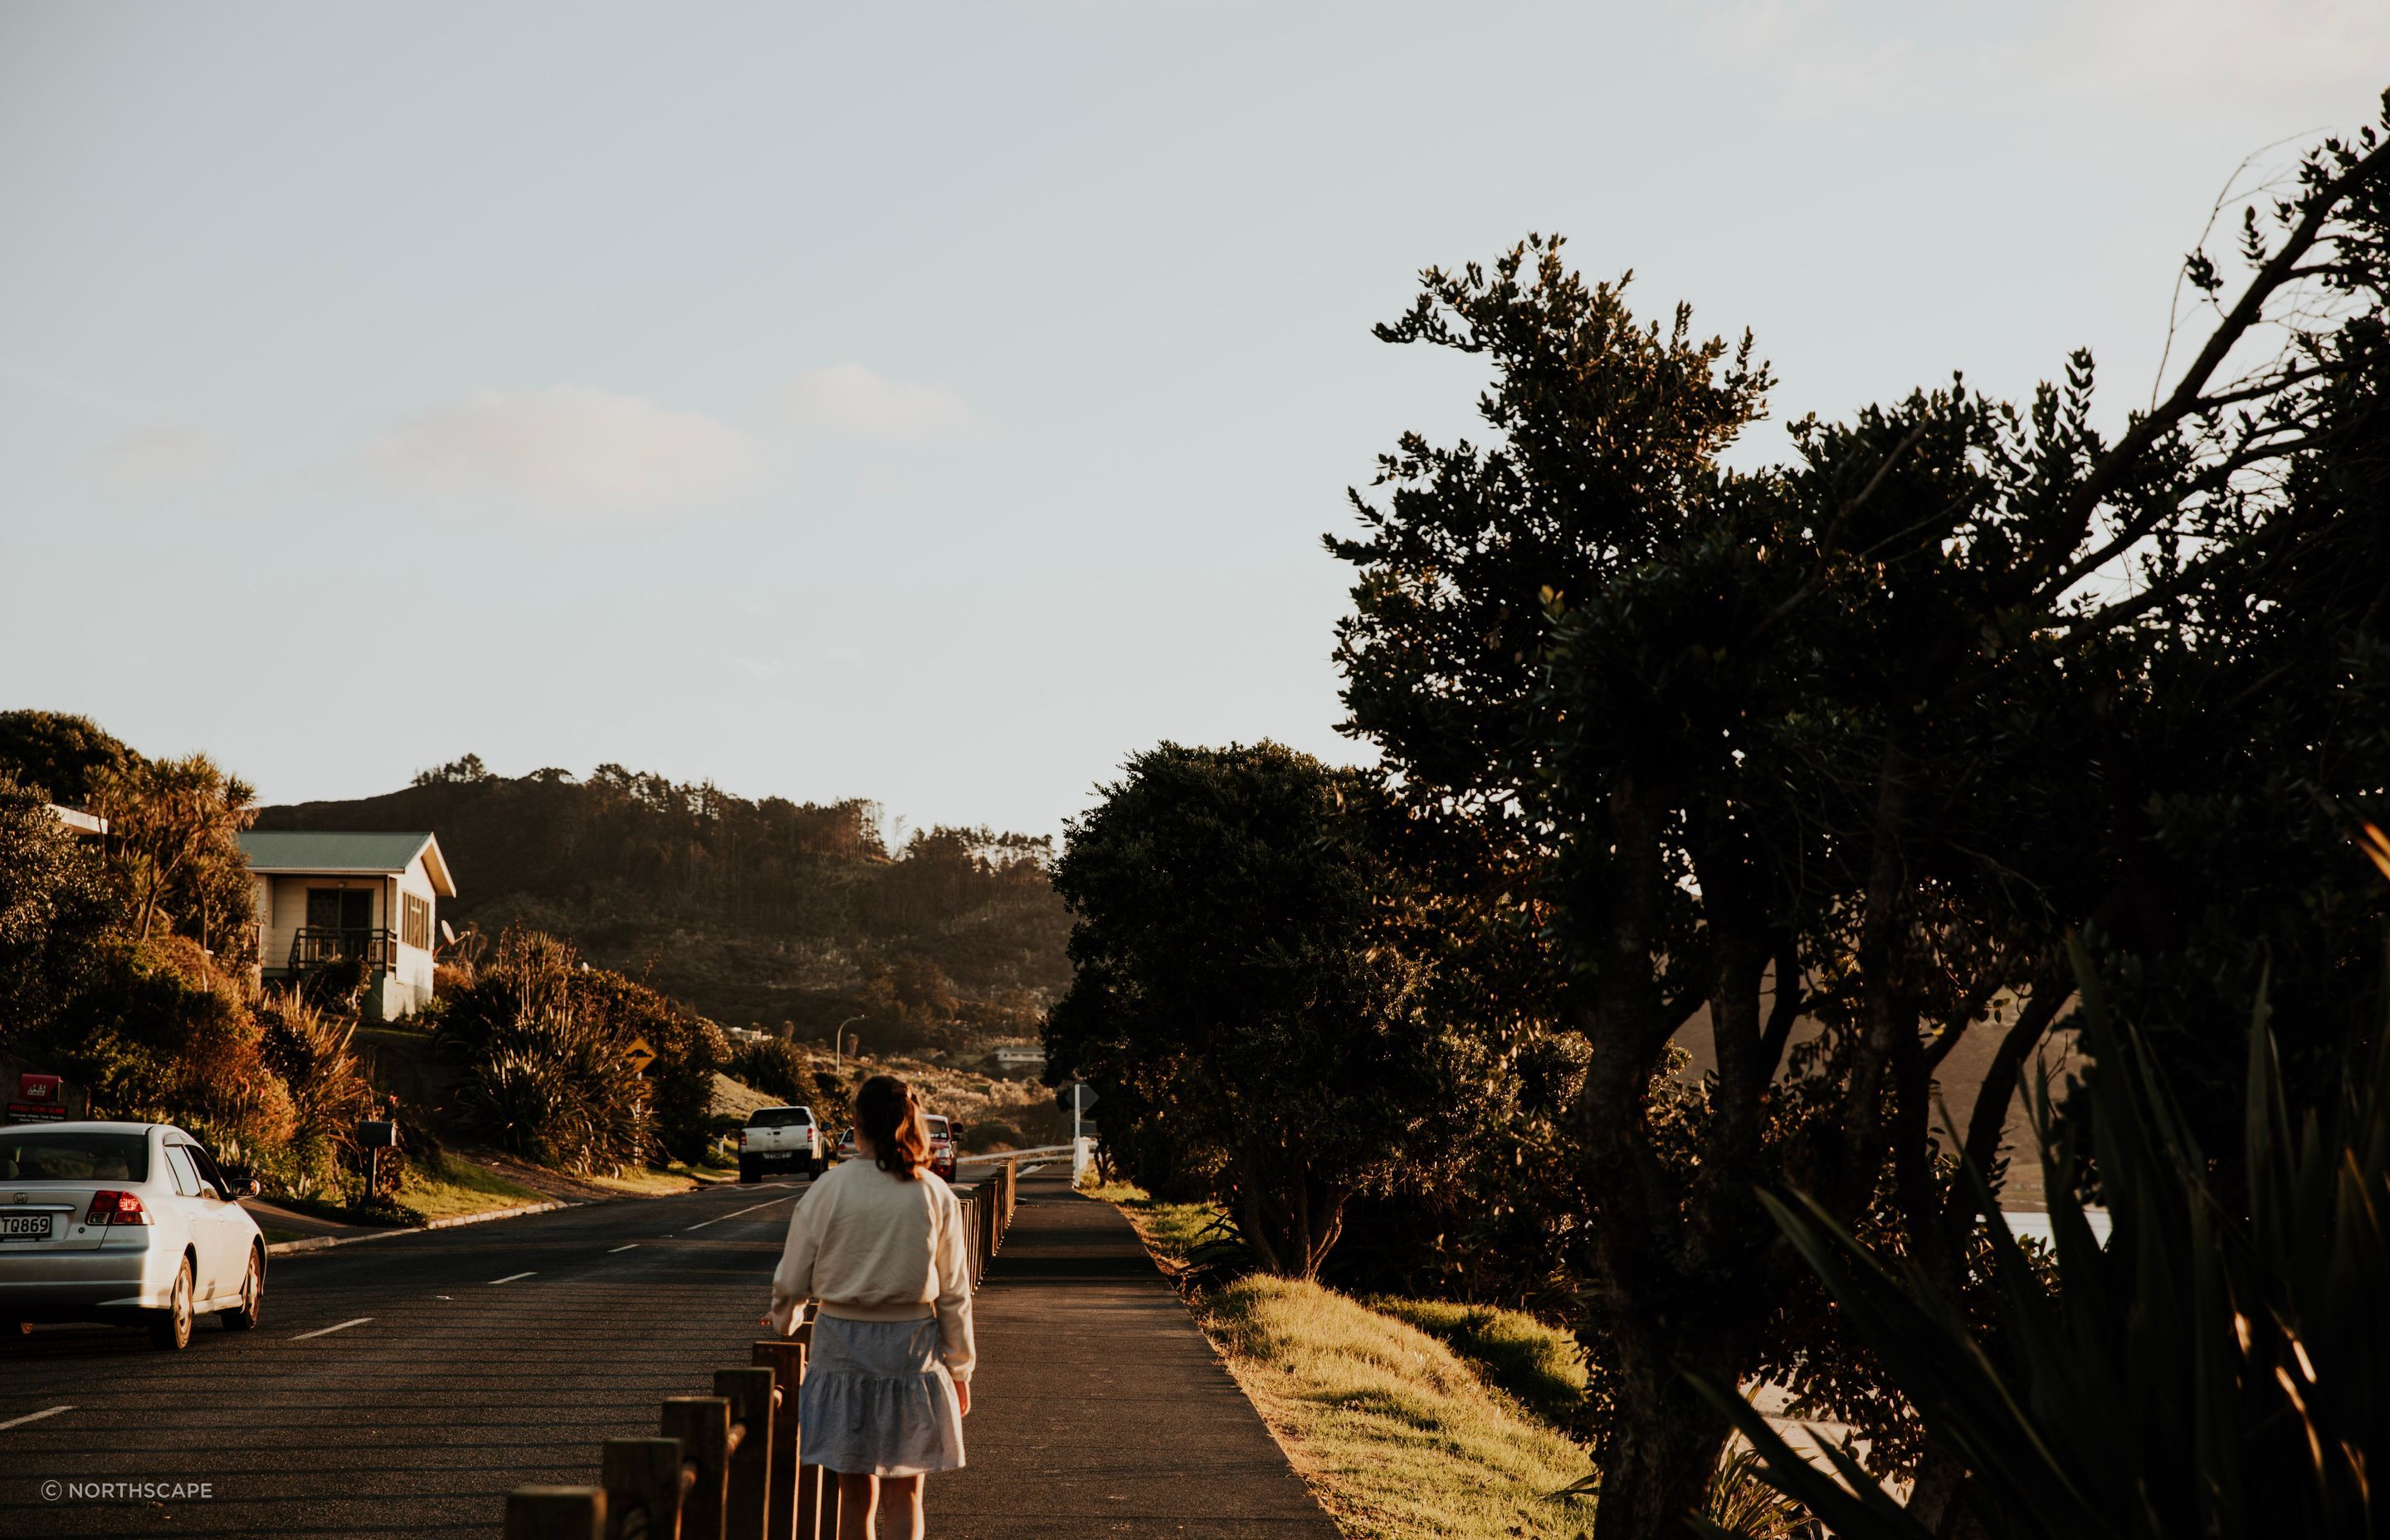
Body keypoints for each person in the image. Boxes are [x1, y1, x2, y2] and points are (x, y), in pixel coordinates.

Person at [763, 1074, 973, 1540]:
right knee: (906, 1495)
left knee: (854, 1499)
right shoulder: (935, 1194)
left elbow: (792, 1276)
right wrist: (960, 1370)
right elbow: (955, 1294)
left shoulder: (828, 1189)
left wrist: (786, 1320)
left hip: (840, 1345)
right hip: (911, 1351)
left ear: (856, 1123)